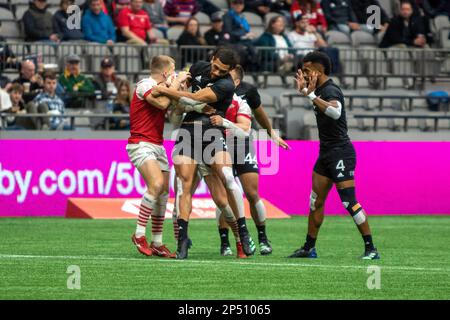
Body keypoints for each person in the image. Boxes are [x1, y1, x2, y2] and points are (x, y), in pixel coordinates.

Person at [151, 47, 256, 259]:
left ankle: (242, 232)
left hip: (211, 134)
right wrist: (179, 88)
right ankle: (182, 242)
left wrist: (166, 91)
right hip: (187, 131)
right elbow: (182, 100)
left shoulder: (225, 84)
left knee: (224, 188)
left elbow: (195, 98)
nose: (217, 72)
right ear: (213, 59)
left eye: (223, 70)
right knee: (183, 185)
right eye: (216, 67)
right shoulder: (199, 67)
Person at [288, 51, 380, 260]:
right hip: (326, 153)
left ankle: (371, 249)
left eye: (307, 70)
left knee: (348, 202)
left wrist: (310, 95)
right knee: (315, 202)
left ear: (319, 70)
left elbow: (335, 112)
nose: (303, 74)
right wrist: (308, 92)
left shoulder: (330, 89)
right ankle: (309, 248)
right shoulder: (319, 89)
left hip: (341, 153)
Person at [127, 55, 196, 258]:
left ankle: (157, 241)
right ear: (166, 72)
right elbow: (161, 104)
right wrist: (175, 83)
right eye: (173, 69)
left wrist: (180, 91)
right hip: (140, 143)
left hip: (157, 145)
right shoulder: (145, 84)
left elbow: (174, 110)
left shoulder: (163, 86)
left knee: (164, 193)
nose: (175, 73)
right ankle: (139, 234)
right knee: (156, 185)